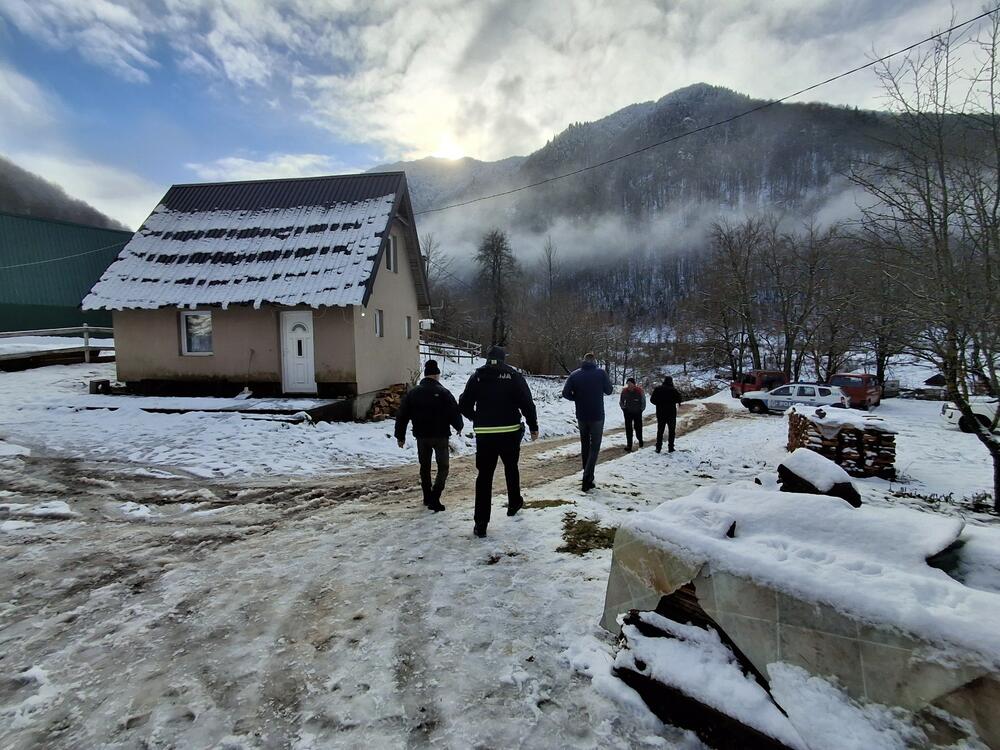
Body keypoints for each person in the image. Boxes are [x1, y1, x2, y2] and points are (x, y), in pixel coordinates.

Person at [459, 346, 539, 538]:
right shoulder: (513, 376)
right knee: (511, 468)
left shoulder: (478, 376)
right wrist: (533, 426)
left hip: (485, 434)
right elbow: (527, 402)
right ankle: (514, 503)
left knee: (484, 476)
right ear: (503, 359)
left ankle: (481, 523)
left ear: (488, 359)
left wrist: (476, 418)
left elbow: (464, 403)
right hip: (509, 432)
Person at [394, 360, 463, 512]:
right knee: (443, 467)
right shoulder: (444, 393)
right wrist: (459, 426)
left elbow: (402, 415)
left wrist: (400, 436)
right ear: (437, 375)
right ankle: (435, 497)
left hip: (422, 436)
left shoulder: (413, 393)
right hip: (440, 436)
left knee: (424, 467)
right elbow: (454, 411)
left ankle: (427, 496)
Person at [562, 352, 613, 492]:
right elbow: (609, 391)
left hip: (582, 415)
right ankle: (587, 478)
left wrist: (577, 398)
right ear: (594, 361)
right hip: (597, 415)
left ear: (583, 361)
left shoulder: (574, 375)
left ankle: (588, 476)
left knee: (585, 445)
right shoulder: (601, 373)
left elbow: (565, 393)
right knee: (595, 447)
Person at [650, 375, 683, 453]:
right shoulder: (673, 390)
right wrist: (672, 402)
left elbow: (652, 400)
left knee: (660, 431)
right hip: (671, 413)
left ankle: (658, 447)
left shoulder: (658, 389)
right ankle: (671, 447)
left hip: (660, 413)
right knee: (671, 431)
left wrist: (659, 404)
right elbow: (679, 399)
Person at [619, 377, 646, 452]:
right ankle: (629, 445)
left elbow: (643, 401)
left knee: (638, 428)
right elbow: (621, 401)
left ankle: (640, 440)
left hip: (637, 412)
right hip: (628, 412)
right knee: (628, 429)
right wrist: (624, 409)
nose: (629, 385)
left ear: (634, 384)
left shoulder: (639, 391)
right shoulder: (624, 391)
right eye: (628, 384)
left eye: (630, 384)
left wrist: (641, 410)